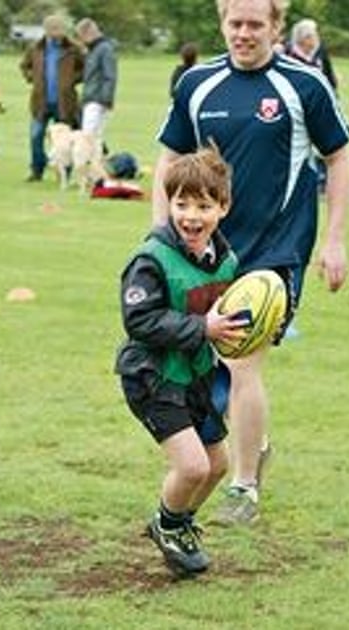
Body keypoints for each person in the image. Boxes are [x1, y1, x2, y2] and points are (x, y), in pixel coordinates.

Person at [154, 0, 349, 526]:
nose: (243, 34)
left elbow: (338, 157)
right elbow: (170, 159)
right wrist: (162, 233)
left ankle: (243, 488)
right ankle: (252, 446)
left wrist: (335, 239)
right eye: (234, 23)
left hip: (275, 252)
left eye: (254, 24)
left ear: (276, 27)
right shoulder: (196, 84)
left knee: (243, 360)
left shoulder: (304, 85)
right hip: (206, 248)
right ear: (221, 23)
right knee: (203, 361)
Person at [117, 148, 247, 576]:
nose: (191, 216)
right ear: (168, 203)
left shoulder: (227, 261)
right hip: (152, 375)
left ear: (223, 208)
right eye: (181, 204)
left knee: (219, 466)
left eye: (203, 206)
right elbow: (139, 320)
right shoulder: (150, 260)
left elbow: (227, 315)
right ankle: (168, 525)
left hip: (196, 374)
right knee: (192, 465)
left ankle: (179, 522)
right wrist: (202, 329)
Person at [18, 14, 85, 182]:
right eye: (54, 31)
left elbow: (85, 67)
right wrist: (31, 77)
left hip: (65, 102)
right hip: (40, 101)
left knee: (65, 141)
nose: (57, 35)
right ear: (46, 31)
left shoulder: (73, 49)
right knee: (36, 135)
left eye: (60, 31)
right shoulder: (35, 48)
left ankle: (65, 173)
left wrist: (72, 80)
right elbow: (24, 66)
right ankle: (37, 169)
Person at [76, 18, 118, 169]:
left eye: (81, 36)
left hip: (97, 99)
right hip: (90, 98)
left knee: (88, 136)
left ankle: (87, 167)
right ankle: (96, 167)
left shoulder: (104, 49)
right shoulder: (93, 49)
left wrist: (106, 100)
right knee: (95, 138)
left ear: (89, 33)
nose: (80, 40)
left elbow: (110, 76)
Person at [285, 18, 337, 91]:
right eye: (314, 35)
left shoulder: (320, 50)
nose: (317, 38)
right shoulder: (288, 52)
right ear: (304, 38)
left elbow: (328, 73)